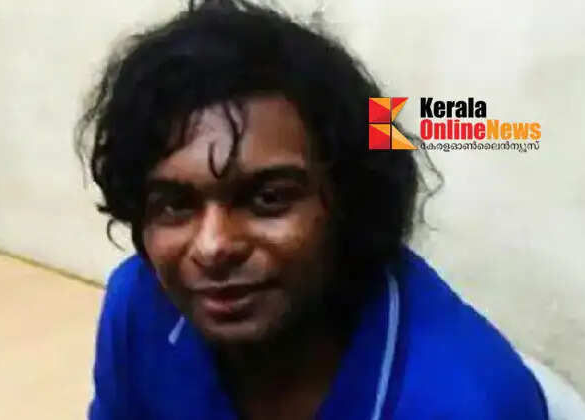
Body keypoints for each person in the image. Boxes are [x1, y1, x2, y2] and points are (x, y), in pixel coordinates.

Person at [77, 1, 549, 418]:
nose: (213, 246)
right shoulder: (140, 307)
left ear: (351, 198)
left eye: (269, 198)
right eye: (175, 204)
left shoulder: (466, 403)